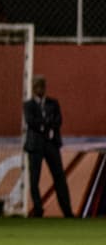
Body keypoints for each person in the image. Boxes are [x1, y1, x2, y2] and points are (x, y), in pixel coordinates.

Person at [24, 75, 74, 218]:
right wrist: (46, 126)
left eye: (42, 86)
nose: (40, 89)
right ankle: (38, 210)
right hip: (35, 146)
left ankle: (67, 211)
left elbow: (58, 120)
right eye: (37, 86)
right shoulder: (28, 105)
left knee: (59, 177)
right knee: (34, 179)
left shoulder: (53, 103)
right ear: (33, 88)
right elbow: (31, 122)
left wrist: (45, 125)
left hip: (51, 144)